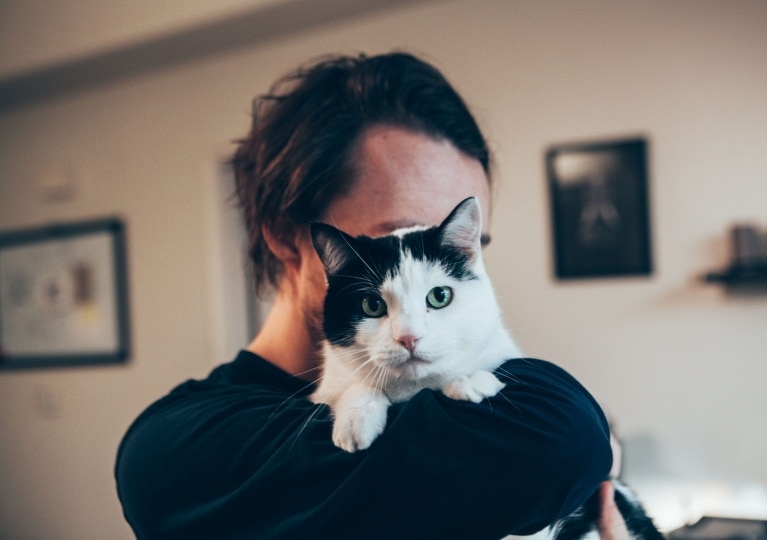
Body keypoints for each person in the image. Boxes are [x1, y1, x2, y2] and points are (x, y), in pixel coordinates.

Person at [115, 52, 626, 540]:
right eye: (408, 232)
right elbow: (563, 437)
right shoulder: (177, 449)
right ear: (287, 236)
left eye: (467, 248)